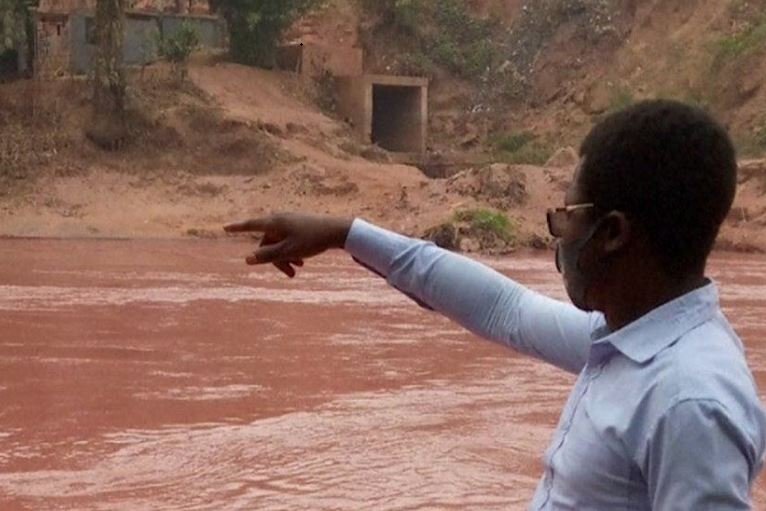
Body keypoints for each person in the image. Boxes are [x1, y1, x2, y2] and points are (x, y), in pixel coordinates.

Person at [224, 100, 766, 509]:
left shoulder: (688, 402)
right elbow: (504, 309)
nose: (558, 234)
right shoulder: (629, 340)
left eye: (565, 215)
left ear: (613, 233)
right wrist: (347, 233)